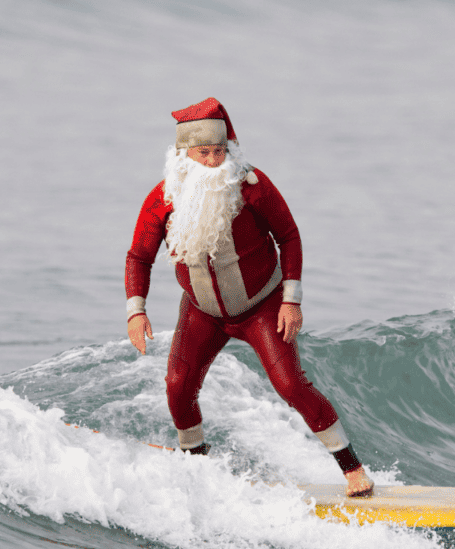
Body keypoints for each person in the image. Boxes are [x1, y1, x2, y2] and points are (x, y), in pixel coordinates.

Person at [124, 97, 374, 497]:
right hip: (202, 311)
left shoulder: (249, 186)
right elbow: (139, 255)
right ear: (183, 155)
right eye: (203, 153)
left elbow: (289, 236)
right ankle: (196, 464)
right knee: (177, 385)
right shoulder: (163, 198)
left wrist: (291, 299)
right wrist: (136, 311)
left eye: (219, 152)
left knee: (290, 384)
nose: (212, 161)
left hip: (262, 305)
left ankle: (353, 469)